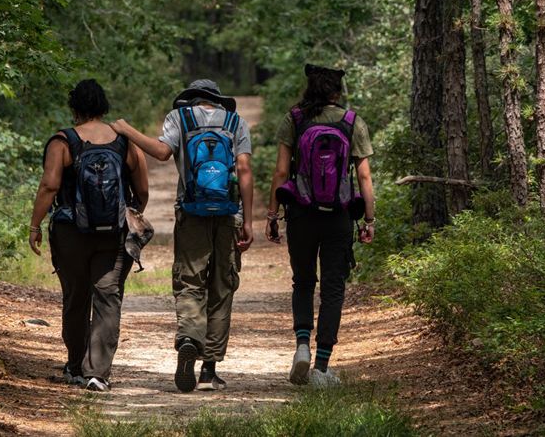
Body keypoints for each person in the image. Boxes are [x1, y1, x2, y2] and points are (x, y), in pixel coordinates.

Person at [110, 79, 254, 393]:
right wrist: (249, 221)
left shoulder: (180, 118)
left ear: (189, 99)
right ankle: (209, 370)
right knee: (222, 284)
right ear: (218, 100)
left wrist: (127, 130)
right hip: (229, 214)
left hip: (191, 212)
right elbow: (244, 169)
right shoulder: (236, 122)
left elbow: (162, 152)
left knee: (191, 281)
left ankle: (189, 337)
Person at [28, 79, 149, 392]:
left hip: (70, 232)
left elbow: (50, 186)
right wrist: (127, 211)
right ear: (104, 106)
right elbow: (143, 189)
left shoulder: (63, 141)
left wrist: (35, 225)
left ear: (74, 108)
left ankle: (75, 365)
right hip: (114, 234)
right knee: (108, 298)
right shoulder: (124, 141)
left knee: (76, 297)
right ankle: (97, 372)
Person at [265, 64, 376, 388]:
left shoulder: (295, 120)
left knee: (302, 281)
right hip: (338, 216)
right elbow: (365, 176)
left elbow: (281, 173)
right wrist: (369, 220)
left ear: (309, 89)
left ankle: (302, 345)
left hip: (301, 213)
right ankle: (322, 366)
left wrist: (273, 216)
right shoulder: (351, 122)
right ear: (336, 92)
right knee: (333, 289)